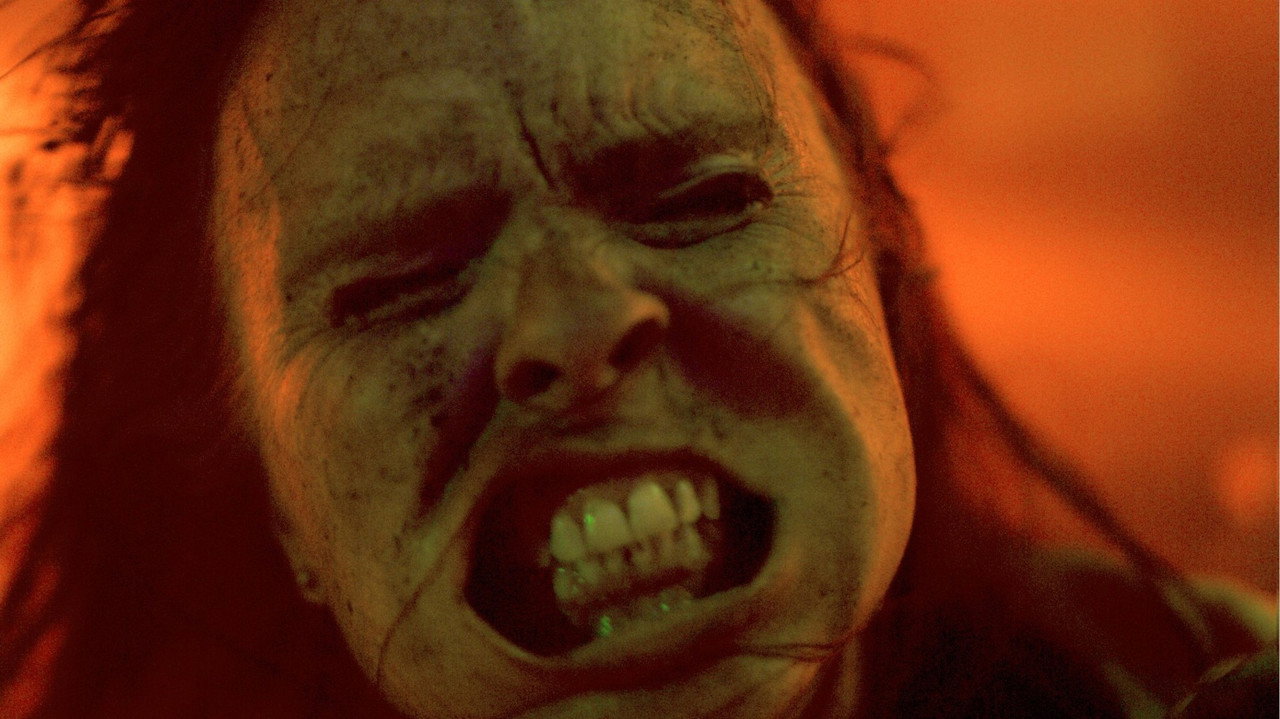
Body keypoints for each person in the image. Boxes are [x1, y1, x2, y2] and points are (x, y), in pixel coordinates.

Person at [0, 0, 1273, 716]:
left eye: (699, 198)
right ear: (277, 499)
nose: (570, 327)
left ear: (882, 267)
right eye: (398, 284)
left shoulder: (1175, 673)